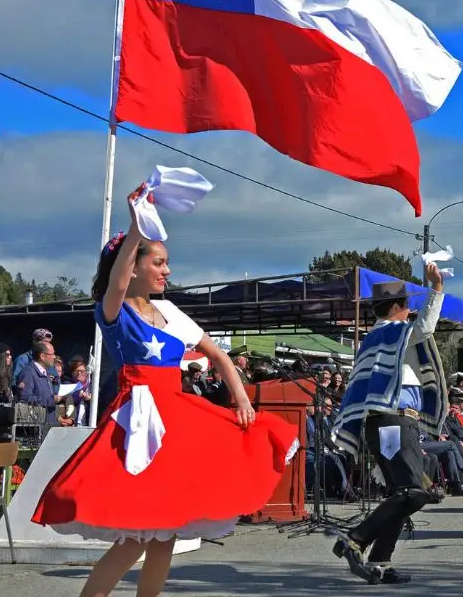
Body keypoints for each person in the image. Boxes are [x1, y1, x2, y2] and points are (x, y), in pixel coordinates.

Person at [32, 182, 300, 597]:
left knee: (165, 537)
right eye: (158, 262)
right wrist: (137, 226)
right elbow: (117, 282)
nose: (167, 271)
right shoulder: (114, 309)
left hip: (176, 417)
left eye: (167, 262)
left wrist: (242, 399)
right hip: (138, 423)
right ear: (133, 265)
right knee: (136, 538)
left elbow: (220, 356)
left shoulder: (172, 312)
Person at [332, 266, 449, 585]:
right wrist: (436, 288)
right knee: (414, 492)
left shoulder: (379, 339)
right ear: (397, 308)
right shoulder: (393, 333)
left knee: (404, 493)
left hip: (386, 422)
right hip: (393, 419)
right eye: (407, 305)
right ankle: (355, 538)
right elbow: (425, 326)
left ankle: (379, 562)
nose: (410, 310)